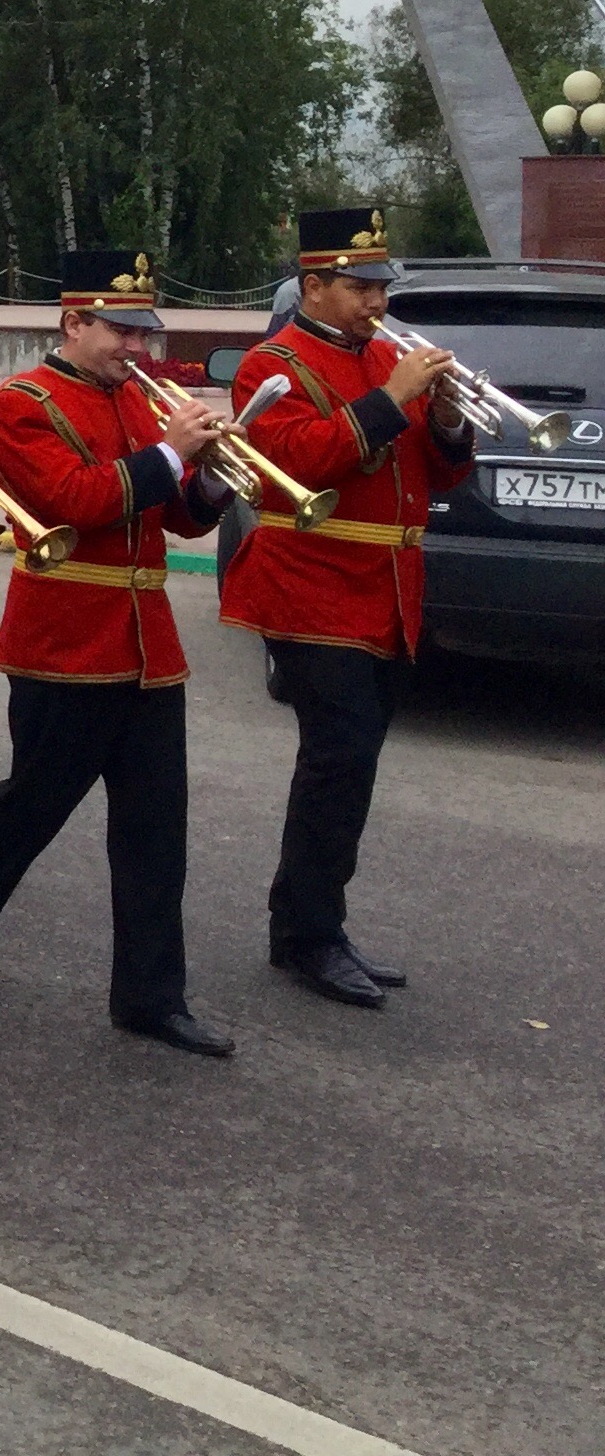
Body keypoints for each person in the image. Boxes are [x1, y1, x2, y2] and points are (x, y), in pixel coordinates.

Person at [0, 250, 239, 1057]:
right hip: (63, 639)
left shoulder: (135, 400)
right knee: (34, 806)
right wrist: (169, 455)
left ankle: (151, 997)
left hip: (147, 644)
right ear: (73, 323)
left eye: (141, 332)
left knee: (158, 827)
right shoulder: (26, 403)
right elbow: (71, 501)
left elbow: (178, 524)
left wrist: (215, 479)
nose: (136, 348)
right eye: (120, 330)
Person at [218, 206, 473, 1010]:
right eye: (360, 287)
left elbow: (437, 480)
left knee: (349, 768)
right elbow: (292, 463)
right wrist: (394, 400)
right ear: (313, 286)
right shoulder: (273, 364)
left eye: (379, 286)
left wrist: (449, 420)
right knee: (340, 760)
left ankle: (312, 922)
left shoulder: (384, 357)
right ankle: (308, 935)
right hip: (312, 586)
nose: (375, 302)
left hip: (388, 589)